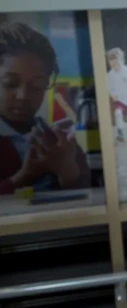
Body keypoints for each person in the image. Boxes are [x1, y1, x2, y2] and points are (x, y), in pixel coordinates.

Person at [0, 22, 91, 195]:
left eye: (36, 86)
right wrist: (24, 176)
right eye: (10, 84)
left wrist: (68, 172)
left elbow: (94, 198)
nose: (23, 96)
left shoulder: (59, 140)